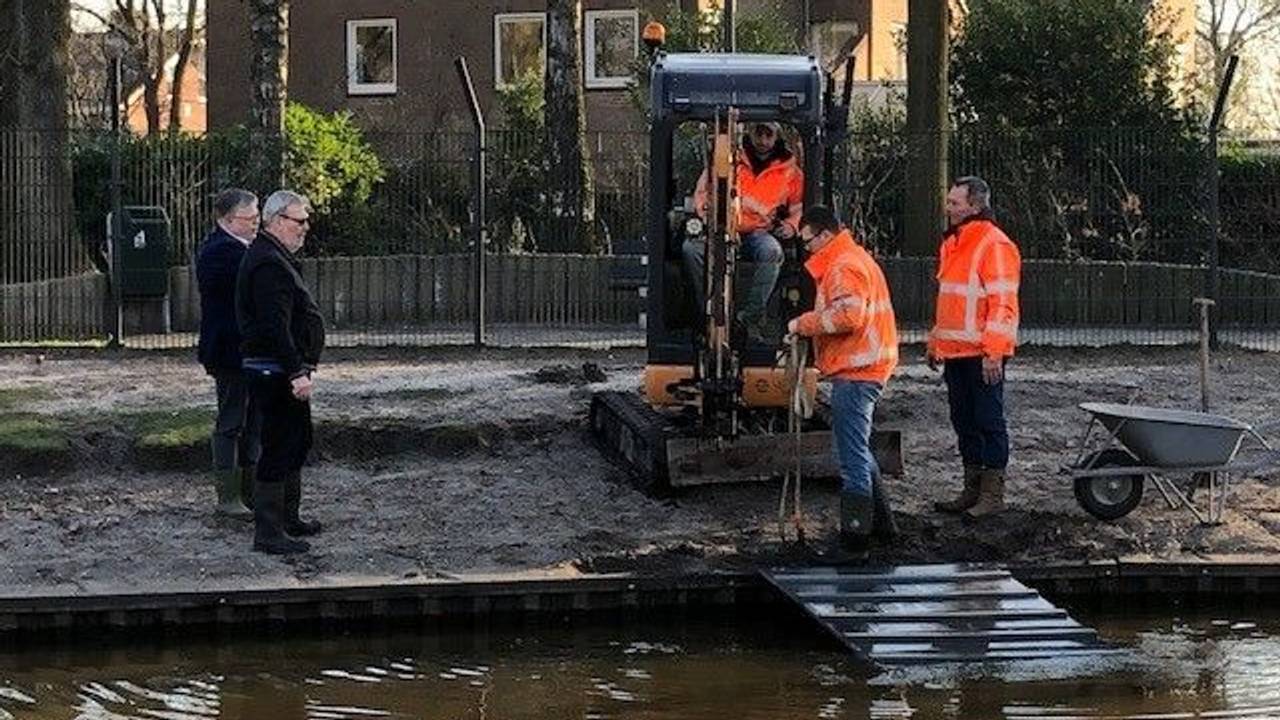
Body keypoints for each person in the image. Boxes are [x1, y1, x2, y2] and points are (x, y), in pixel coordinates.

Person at [786, 205, 899, 552]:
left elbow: (849, 315)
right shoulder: (853, 258)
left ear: (824, 235)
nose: (806, 249)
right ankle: (883, 528)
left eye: (808, 242)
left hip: (858, 370)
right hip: (867, 366)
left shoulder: (842, 266)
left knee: (850, 456)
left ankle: (855, 538)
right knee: (858, 449)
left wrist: (803, 324)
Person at [236, 190, 326, 555]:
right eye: (298, 221)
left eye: (306, 220)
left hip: (281, 369)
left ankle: (288, 518)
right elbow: (276, 327)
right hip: (274, 372)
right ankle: (269, 530)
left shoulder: (273, 257)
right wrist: (295, 372)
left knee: (296, 440)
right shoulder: (269, 263)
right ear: (276, 221)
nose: (305, 228)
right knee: (279, 445)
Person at [927, 176, 1022, 518]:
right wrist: (936, 339)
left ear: (975, 206)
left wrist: (993, 351)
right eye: (949, 201)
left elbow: (1002, 304)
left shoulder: (992, 244)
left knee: (988, 421)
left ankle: (991, 495)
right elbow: (949, 298)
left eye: (955, 203)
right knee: (964, 420)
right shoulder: (955, 241)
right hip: (957, 352)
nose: (948, 208)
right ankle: (973, 489)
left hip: (982, 354)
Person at [684, 121, 803, 338]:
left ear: (777, 136)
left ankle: (749, 318)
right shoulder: (727, 160)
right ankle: (707, 313)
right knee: (691, 250)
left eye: (769, 135)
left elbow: (799, 207)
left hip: (759, 233)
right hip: (722, 228)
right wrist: (707, 214)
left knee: (772, 252)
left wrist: (791, 226)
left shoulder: (789, 171)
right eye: (759, 133)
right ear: (749, 132)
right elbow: (703, 192)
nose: (763, 141)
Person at [196, 189, 261, 519]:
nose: (256, 224)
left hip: (245, 350)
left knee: (251, 421)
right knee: (232, 421)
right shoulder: (223, 252)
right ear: (228, 220)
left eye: (257, 218)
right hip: (229, 351)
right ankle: (228, 498)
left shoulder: (237, 249)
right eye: (250, 219)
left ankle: (249, 492)